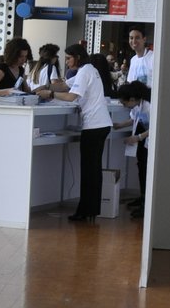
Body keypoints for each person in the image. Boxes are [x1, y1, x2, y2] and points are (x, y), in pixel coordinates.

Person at [37, 42, 115, 222]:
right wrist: (40, 88)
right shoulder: (87, 70)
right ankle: (90, 210)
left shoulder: (86, 71)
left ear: (77, 57)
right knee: (92, 170)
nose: (66, 61)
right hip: (99, 125)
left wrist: (49, 94)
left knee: (90, 171)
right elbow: (64, 86)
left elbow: (71, 96)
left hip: (94, 126)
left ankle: (86, 210)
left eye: (69, 58)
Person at [115, 79, 151, 217]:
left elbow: (155, 126)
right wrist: (119, 125)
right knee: (141, 168)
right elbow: (134, 119)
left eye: (125, 103)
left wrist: (139, 137)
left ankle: (145, 203)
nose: (125, 106)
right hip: (142, 140)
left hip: (146, 139)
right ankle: (142, 197)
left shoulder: (148, 106)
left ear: (131, 99)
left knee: (145, 170)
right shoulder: (137, 105)